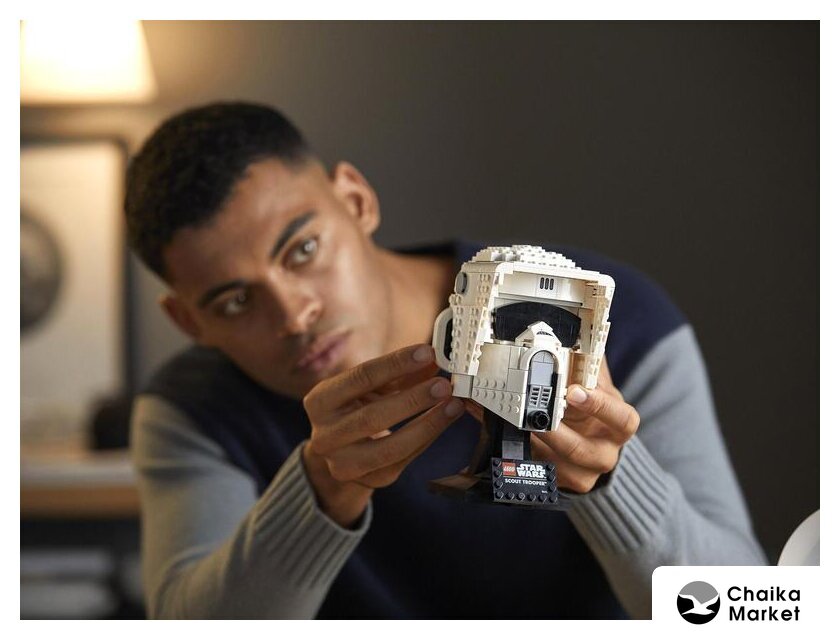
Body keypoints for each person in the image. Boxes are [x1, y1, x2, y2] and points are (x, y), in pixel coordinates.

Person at [125, 102, 767, 620]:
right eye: (236, 302)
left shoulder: (617, 328)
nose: (294, 315)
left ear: (356, 200)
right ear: (188, 322)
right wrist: (317, 493)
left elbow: (754, 614)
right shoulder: (193, 410)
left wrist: (612, 482)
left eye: (304, 250)